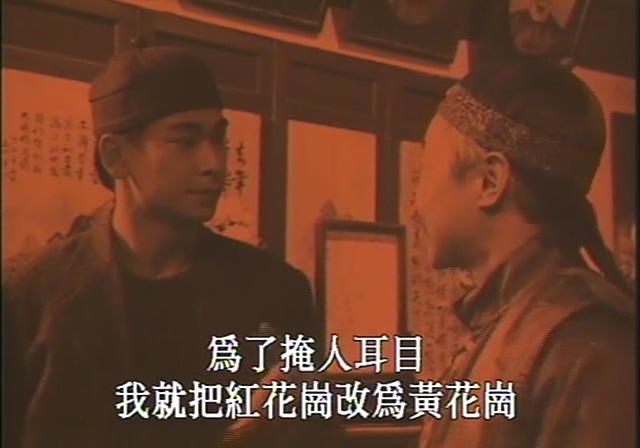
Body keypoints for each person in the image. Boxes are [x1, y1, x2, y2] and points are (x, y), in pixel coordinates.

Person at [2, 46, 333, 448]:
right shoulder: (28, 293)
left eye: (218, 139)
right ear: (116, 156)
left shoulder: (275, 292)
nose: (213, 163)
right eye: (185, 140)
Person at [411, 58, 636, 447]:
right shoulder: (510, 319)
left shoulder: (586, 342)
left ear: (489, 180)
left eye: (424, 172)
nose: (416, 205)